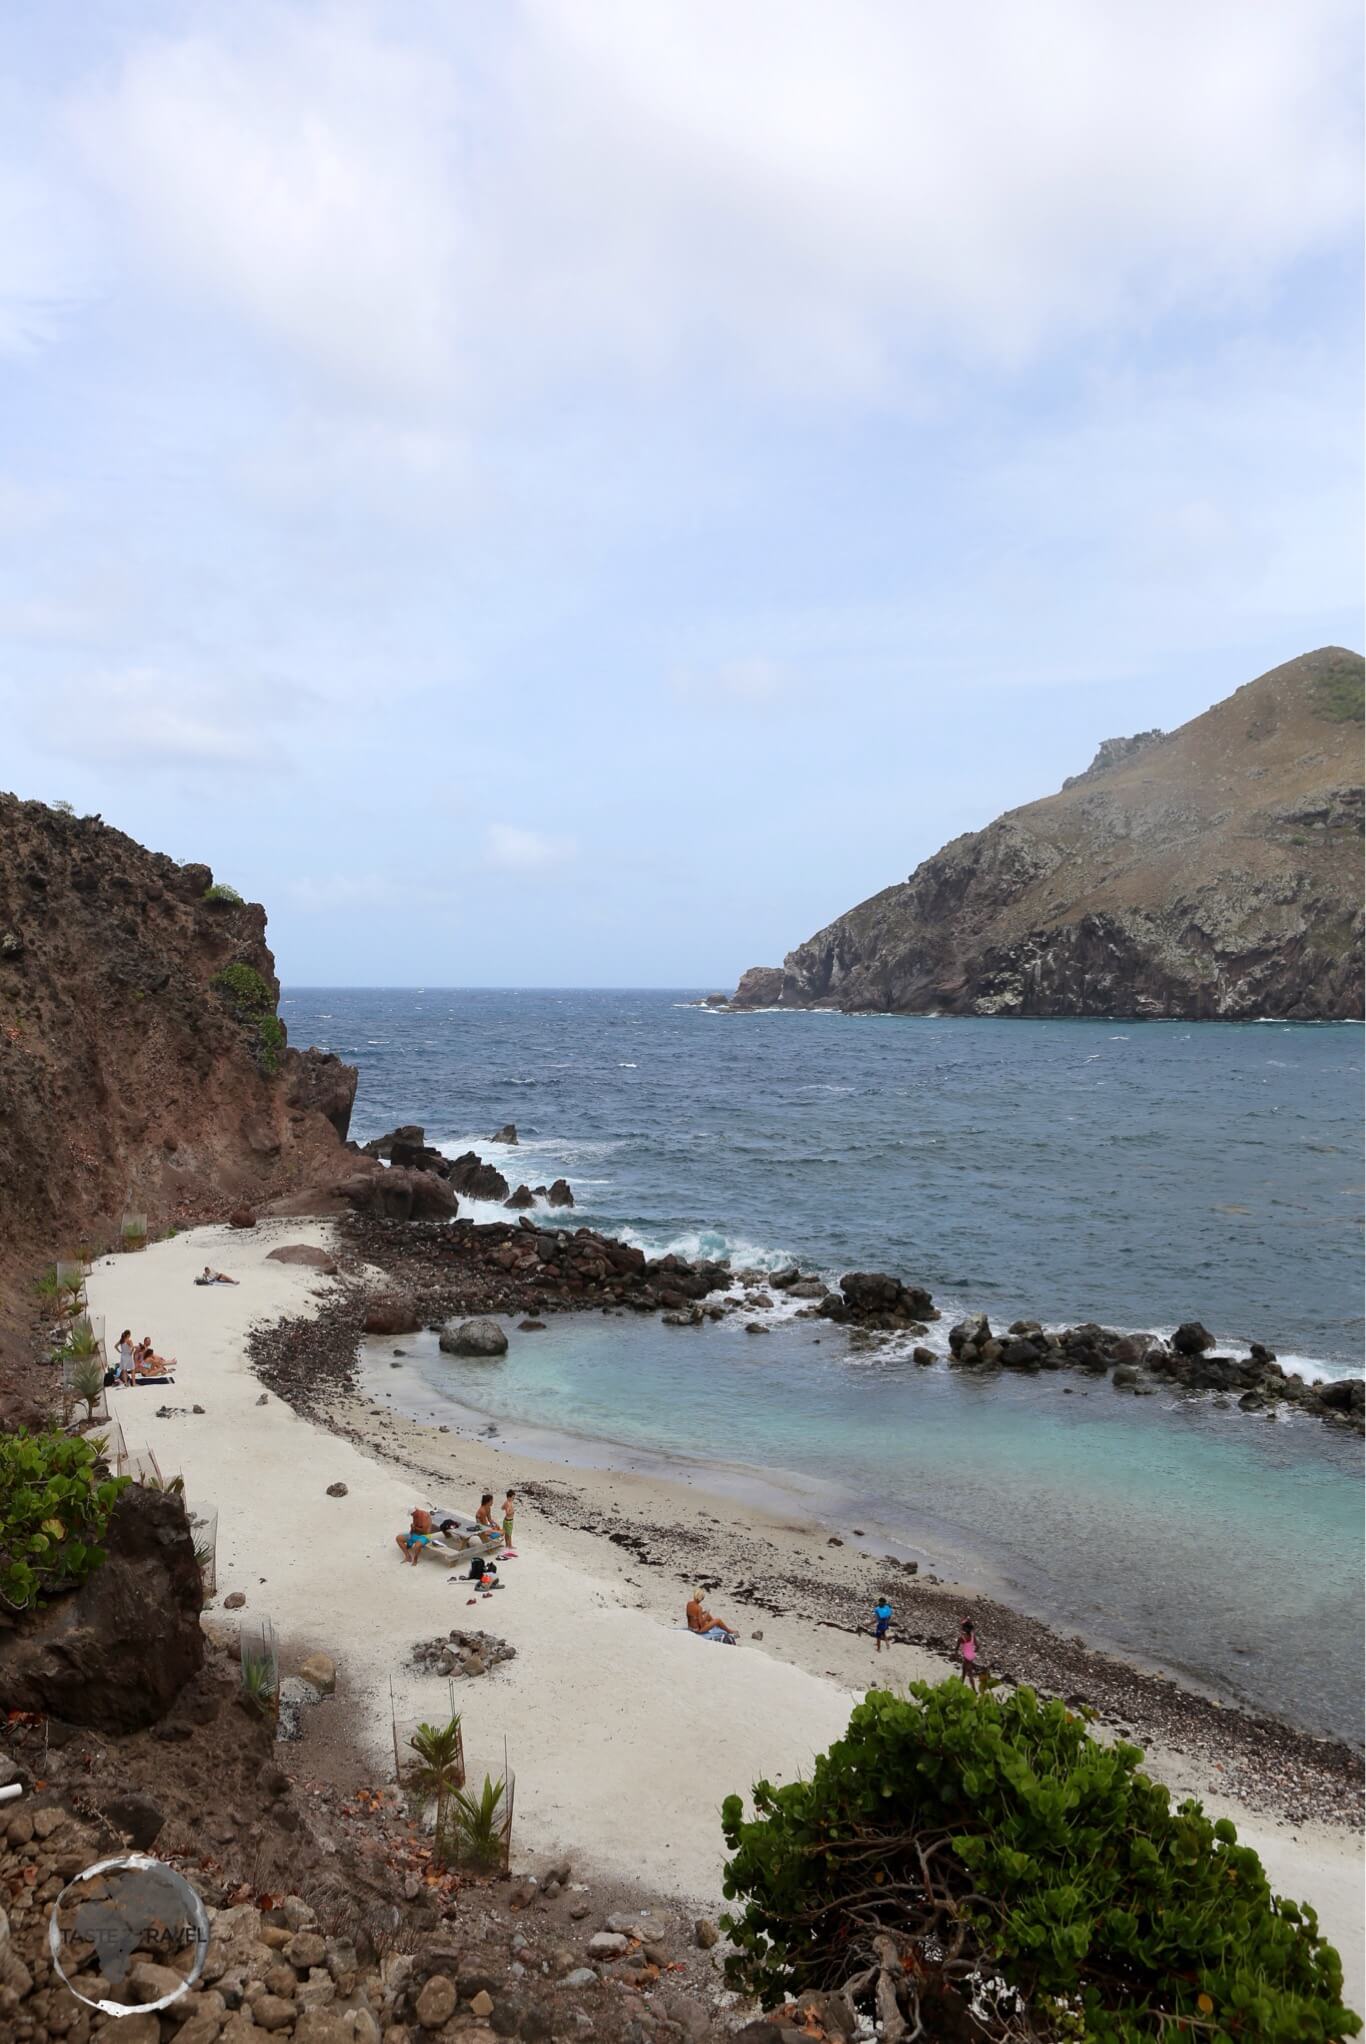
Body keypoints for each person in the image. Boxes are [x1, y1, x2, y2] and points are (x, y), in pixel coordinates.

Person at [957, 1617, 983, 1691]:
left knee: (970, 1674)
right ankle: (961, 1684)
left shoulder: (962, 1638)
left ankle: (974, 1690)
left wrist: (956, 1652)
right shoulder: (972, 1635)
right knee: (964, 1671)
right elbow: (978, 1646)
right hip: (972, 1655)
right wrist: (974, 1652)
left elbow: (957, 1647)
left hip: (966, 1656)